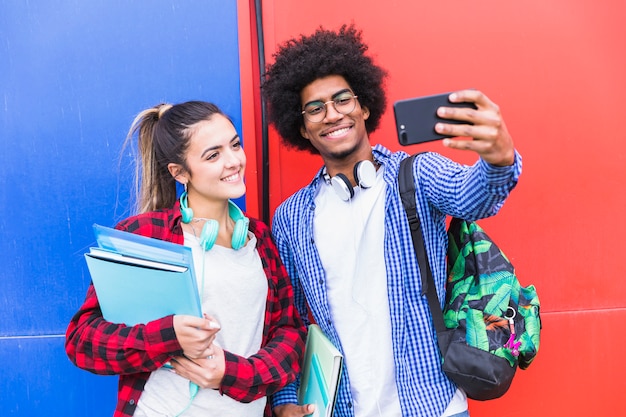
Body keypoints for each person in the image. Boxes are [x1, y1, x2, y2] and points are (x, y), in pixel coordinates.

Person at [261, 24, 522, 417]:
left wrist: (499, 159)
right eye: (315, 108)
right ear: (302, 128)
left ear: (364, 106)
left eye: (342, 99)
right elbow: (290, 320)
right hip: (343, 409)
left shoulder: (416, 175)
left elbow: (475, 195)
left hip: (433, 407)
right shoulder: (291, 217)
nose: (332, 115)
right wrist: (285, 401)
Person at [65, 101, 306, 417]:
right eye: (213, 155)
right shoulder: (146, 234)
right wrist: (170, 335)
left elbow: (289, 333)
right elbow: (83, 341)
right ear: (180, 172)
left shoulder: (259, 239)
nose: (234, 161)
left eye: (235, 145)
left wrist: (235, 373)